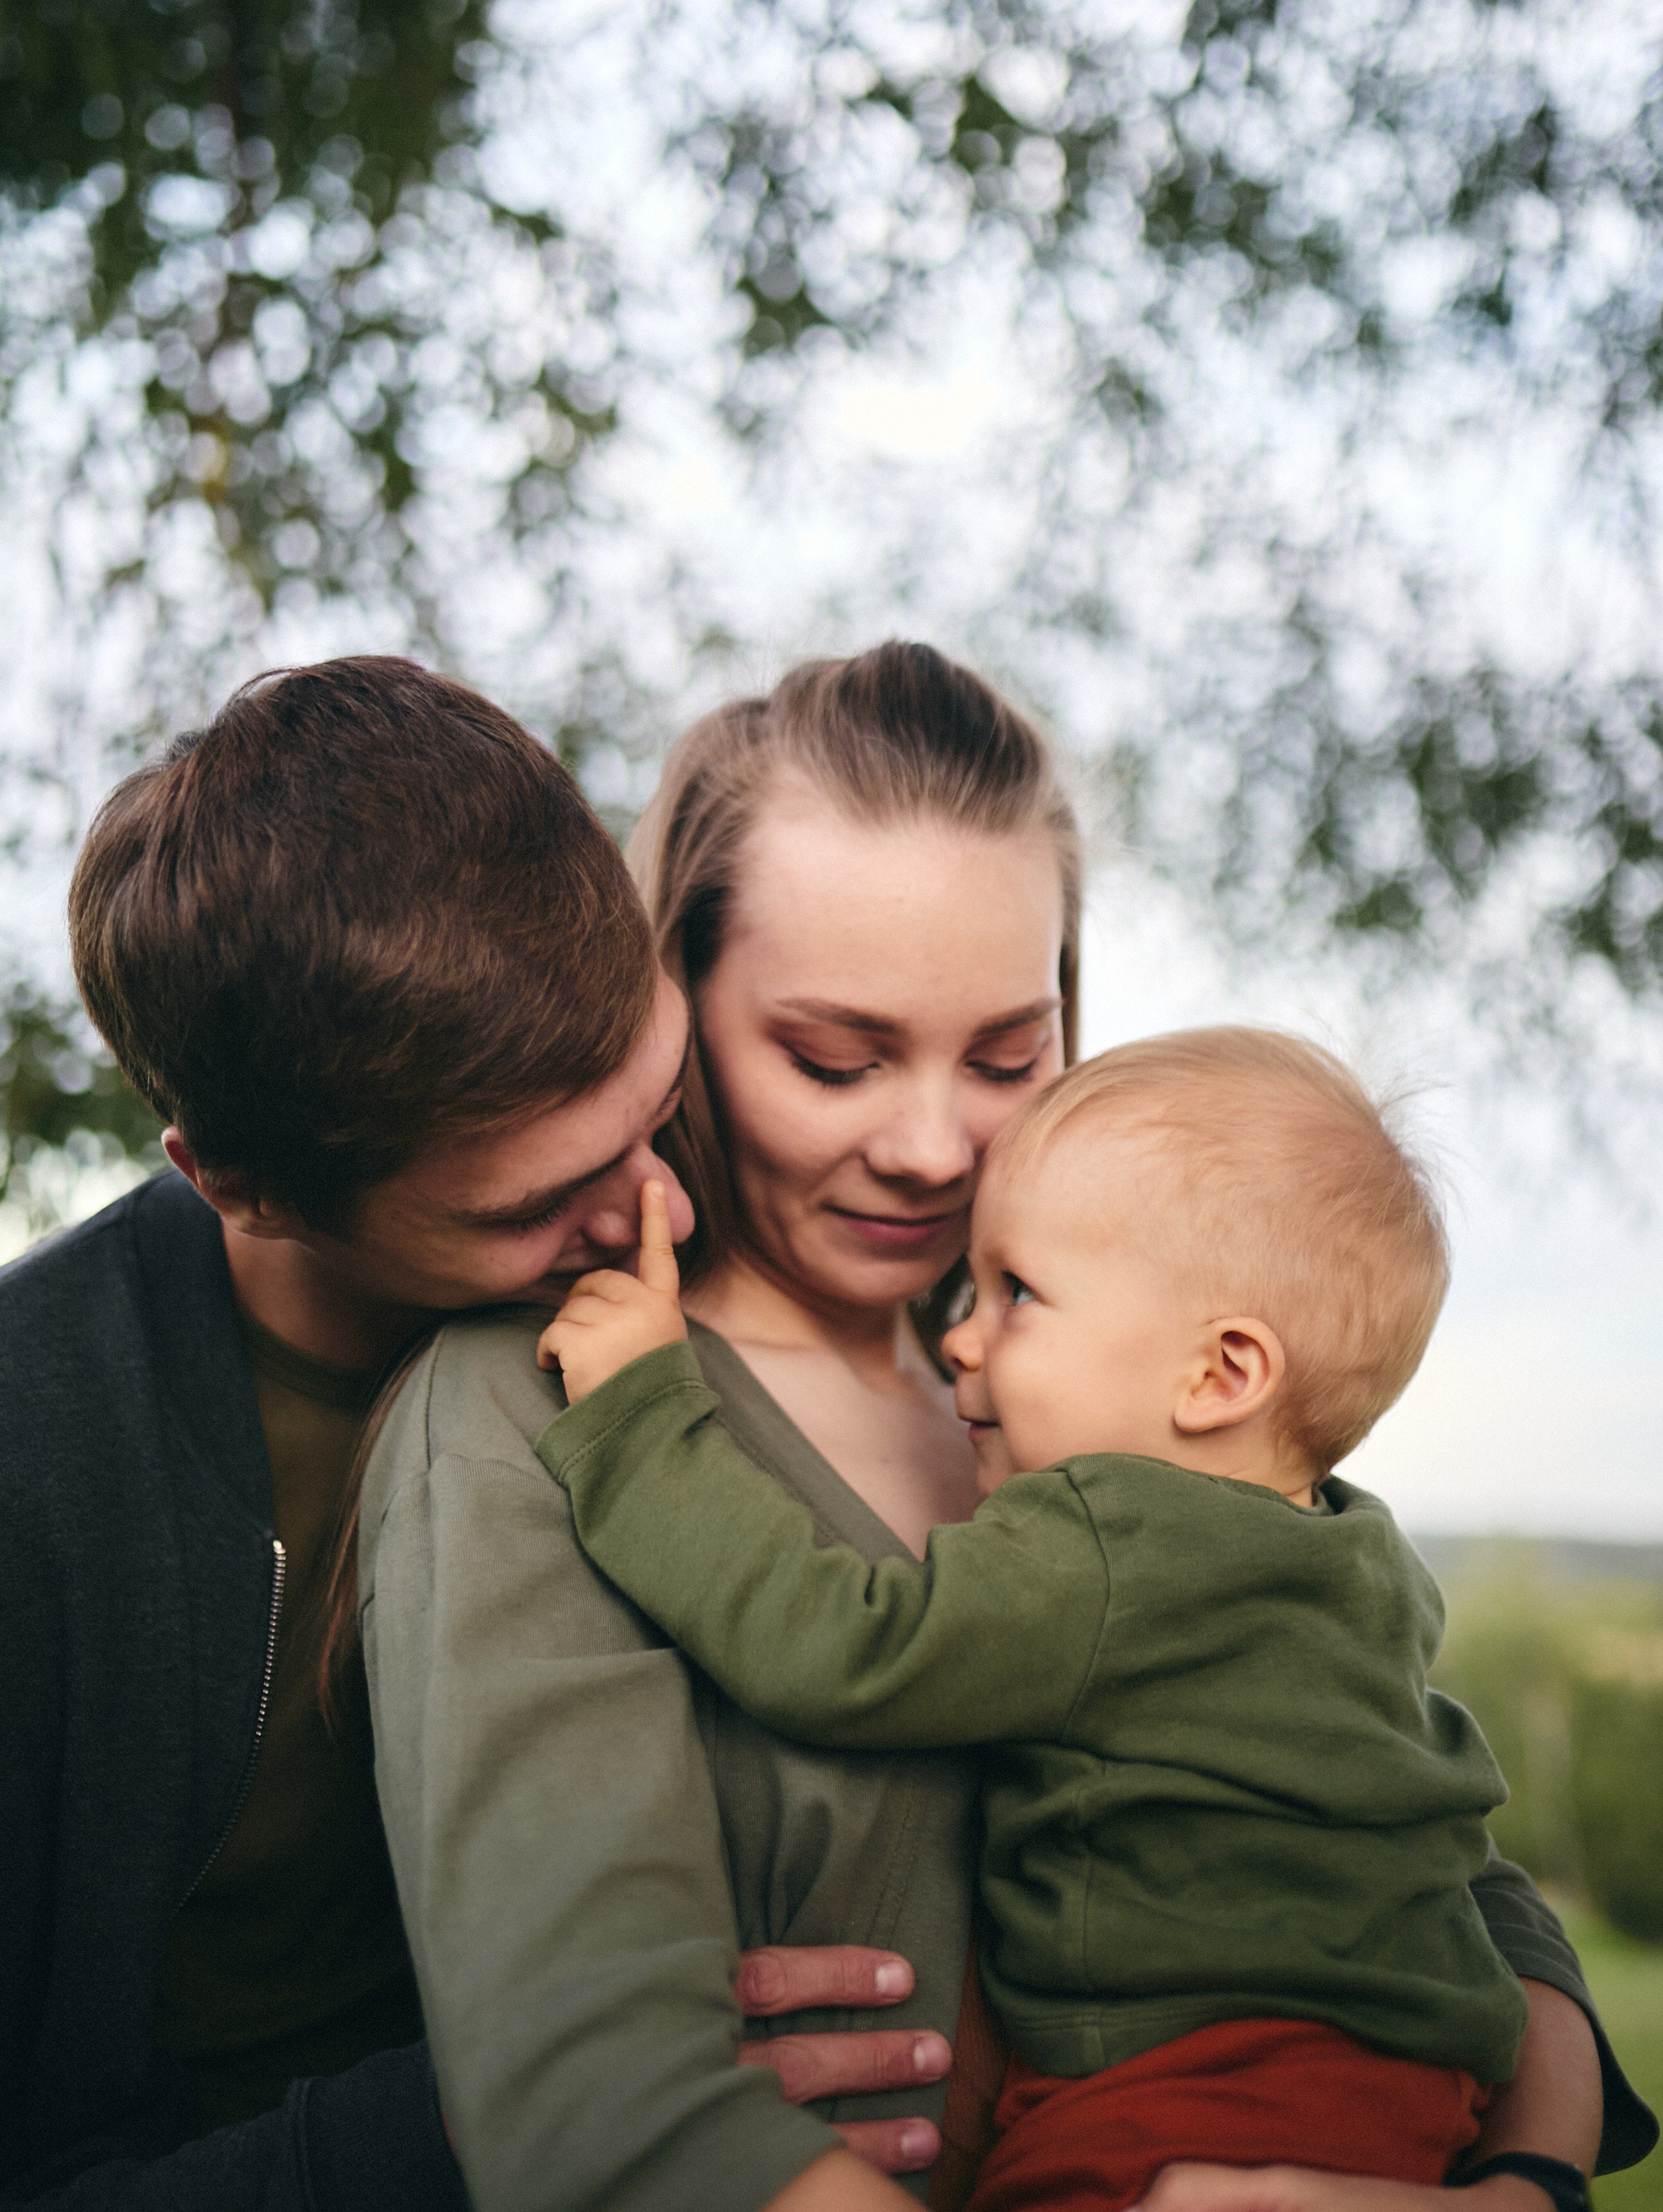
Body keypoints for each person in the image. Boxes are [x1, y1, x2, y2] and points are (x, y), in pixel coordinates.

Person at [359, 644, 1654, 2212]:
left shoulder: (1104, 1388)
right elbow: (596, 2096)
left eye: (1004, 1055)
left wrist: (1521, 2184)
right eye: (831, 1058)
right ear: (674, 1010)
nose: (927, 1147)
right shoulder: (545, 1400)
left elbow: (1423, 1843)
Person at [0, 657, 935, 2212]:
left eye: (650, 1109)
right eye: (530, 1208)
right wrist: (472, 2133)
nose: (656, 1209)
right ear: (234, 1183)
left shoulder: (777, 1227)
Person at [533, 1030, 1545, 2209]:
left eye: (1018, 1294)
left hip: (1192, 2091)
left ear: (1219, 1376)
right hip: (1421, 2091)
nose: (960, 1335)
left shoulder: (1109, 1536)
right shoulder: (1356, 1550)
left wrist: (643, 1416)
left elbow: (844, 1646)